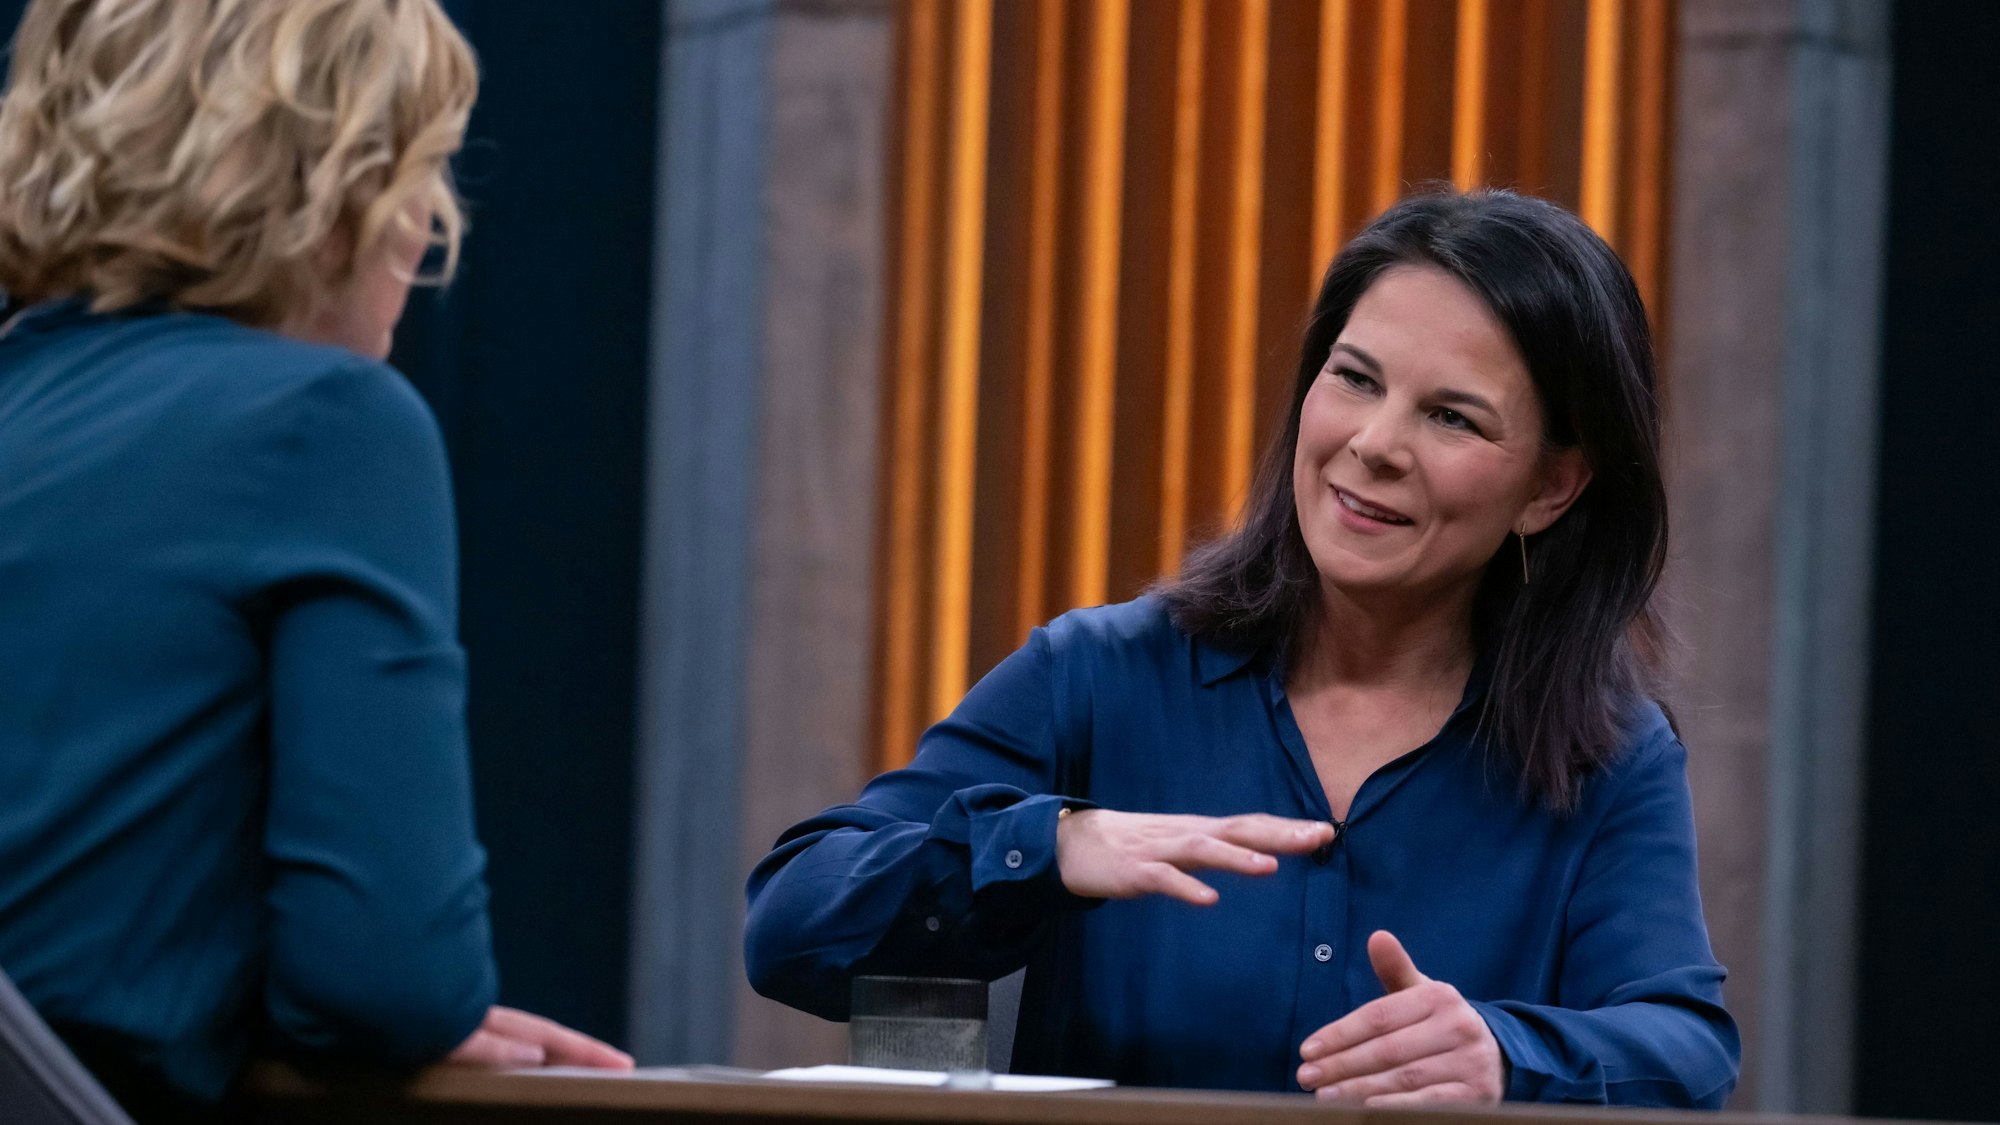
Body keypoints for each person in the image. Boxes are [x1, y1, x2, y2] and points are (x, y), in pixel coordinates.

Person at [745, 189, 1740, 1107]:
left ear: (1549, 489)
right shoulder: (1099, 677)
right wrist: (1047, 848)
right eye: (1353, 379)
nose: (1373, 443)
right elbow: (792, 924)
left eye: (1449, 416)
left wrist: (1500, 1055)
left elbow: (1683, 1048)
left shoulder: (1603, 754)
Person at [0, 0, 629, 1116]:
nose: (431, 227)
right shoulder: (330, 423)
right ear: (345, 191)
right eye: (424, 170)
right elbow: (383, 977)